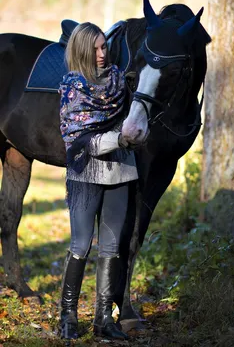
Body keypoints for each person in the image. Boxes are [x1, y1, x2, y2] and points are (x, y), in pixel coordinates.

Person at [58, 22, 138, 341]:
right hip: (85, 171)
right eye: (95, 49)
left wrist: (134, 136)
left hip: (120, 171)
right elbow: (80, 141)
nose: (102, 54)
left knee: (111, 247)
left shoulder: (119, 81)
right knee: (80, 245)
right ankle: (67, 316)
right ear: (81, 50)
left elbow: (134, 123)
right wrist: (120, 138)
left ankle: (104, 318)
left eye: (104, 46)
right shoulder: (72, 87)